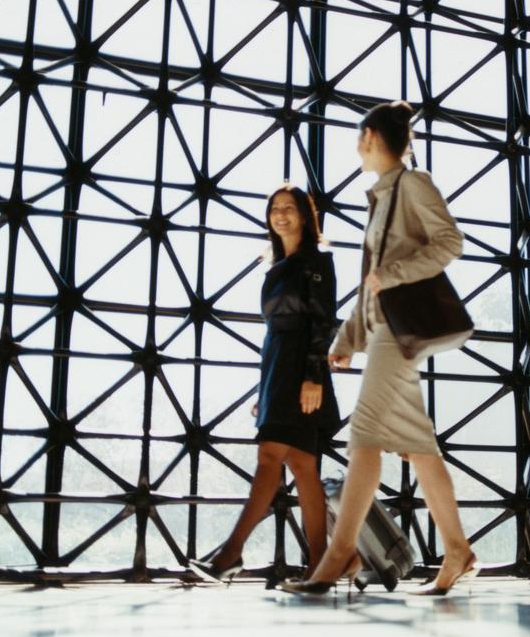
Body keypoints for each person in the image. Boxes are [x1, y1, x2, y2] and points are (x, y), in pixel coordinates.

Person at [279, 101, 478, 598]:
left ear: (370, 136)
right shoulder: (382, 196)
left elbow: (449, 242)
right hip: (383, 329)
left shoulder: (412, 185)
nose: (357, 147)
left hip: (396, 332)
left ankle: (340, 555)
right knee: (420, 448)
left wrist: (395, 273)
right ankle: (457, 550)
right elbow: (373, 279)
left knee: (365, 435)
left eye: (358, 138)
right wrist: (348, 337)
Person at [190, 185, 340, 579]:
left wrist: (313, 377)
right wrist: (265, 389)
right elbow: (274, 332)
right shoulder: (276, 266)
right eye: (274, 208)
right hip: (278, 368)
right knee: (303, 465)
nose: (281, 214)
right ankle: (322, 562)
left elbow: (323, 320)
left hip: (300, 368)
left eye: (289, 207)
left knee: (270, 458)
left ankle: (231, 553)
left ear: (305, 216)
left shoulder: (317, 261)